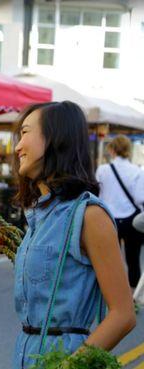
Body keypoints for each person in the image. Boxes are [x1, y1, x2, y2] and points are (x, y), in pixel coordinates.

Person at [12, 101, 136, 369]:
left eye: (25, 133)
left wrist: (68, 366)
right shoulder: (39, 215)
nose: (17, 147)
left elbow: (123, 314)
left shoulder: (89, 215)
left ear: (56, 137)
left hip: (65, 357)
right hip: (24, 354)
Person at [96, 135, 144, 289]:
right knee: (133, 259)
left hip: (109, 219)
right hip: (132, 219)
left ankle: (112, 293)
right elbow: (139, 197)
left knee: (110, 260)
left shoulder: (102, 170)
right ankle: (133, 296)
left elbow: (98, 195)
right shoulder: (137, 171)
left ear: (111, 150)